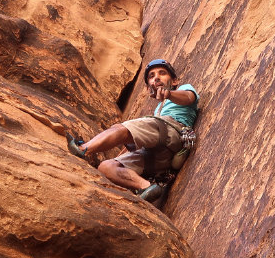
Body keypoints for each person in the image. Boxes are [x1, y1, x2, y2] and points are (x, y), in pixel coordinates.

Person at [67, 59, 198, 202]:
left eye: (162, 73)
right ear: (149, 89)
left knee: (120, 129)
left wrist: (169, 94)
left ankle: (82, 148)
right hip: (159, 157)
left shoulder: (183, 90)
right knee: (106, 166)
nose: (157, 77)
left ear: (174, 81)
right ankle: (146, 187)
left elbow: (189, 98)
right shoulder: (158, 111)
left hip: (172, 130)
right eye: (152, 76)